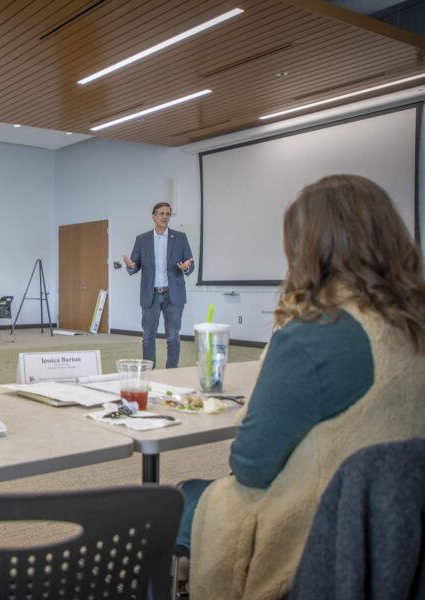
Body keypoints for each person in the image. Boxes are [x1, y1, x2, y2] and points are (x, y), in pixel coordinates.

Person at [179, 175, 425, 599]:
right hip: (402, 535)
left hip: (316, 543)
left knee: (186, 496)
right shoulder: (411, 323)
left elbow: (250, 465)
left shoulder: (316, 335)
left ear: (309, 249)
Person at [123, 201, 194, 368]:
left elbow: (190, 263)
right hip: (151, 295)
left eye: (168, 214)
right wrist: (131, 266)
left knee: (173, 336)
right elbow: (135, 264)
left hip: (173, 295)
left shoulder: (180, 238)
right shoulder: (142, 239)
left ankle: (172, 371)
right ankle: (149, 371)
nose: (165, 216)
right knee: (148, 337)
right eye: (161, 213)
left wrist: (186, 267)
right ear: (154, 216)